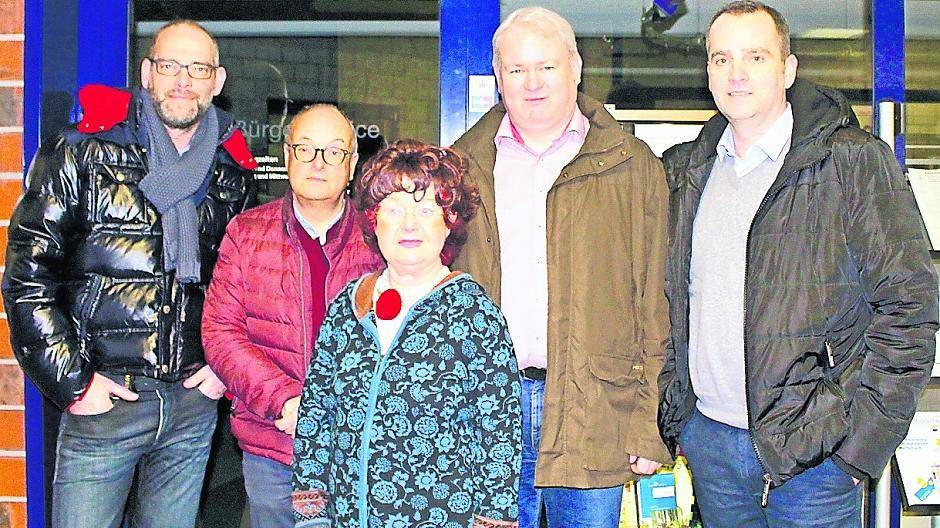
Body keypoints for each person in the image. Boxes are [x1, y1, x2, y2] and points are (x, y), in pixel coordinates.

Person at [657, 2, 939, 527]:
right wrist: (679, 420)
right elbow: (667, 304)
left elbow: (911, 311)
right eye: (721, 59)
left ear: (788, 69)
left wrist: (857, 451)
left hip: (817, 457)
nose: (736, 73)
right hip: (711, 447)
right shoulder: (684, 171)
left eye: (756, 56)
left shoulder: (852, 161)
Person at [1, 20, 257, 528]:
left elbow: (241, 285)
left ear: (217, 81)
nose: (183, 80)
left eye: (198, 68)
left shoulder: (232, 172)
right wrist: (75, 383)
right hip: (104, 400)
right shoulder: (81, 153)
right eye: (169, 65)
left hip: (191, 403)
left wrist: (221, 366)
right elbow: (28, 278)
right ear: (147, 73)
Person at [452, 7, 671, 527]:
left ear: (575, 68)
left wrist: (646, 422)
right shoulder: (461, 166)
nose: (532, 83)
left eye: (546, 67)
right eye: (516, 70)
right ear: (498, 78)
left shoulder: (632, 165)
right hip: (487, 414)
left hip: (595, 411)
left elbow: (655, 302)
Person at [291, 139, 522, 528]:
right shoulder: (349, 307)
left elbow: (499, 435)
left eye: (427, 208)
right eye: (394, 209)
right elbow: (317, 415)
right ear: (373, 221)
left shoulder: (475, 315)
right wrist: (311, 514)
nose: (409, 224)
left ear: (449, 222)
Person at [202, 104, 383, 527]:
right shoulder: (246, 234)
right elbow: (221, 331)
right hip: (274, 442)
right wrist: (285, 401)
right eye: (306, 149)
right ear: (287, 157)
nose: (318, 163)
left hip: (362, 449)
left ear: (352, 164)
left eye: (334, 151)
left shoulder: (382, 239)